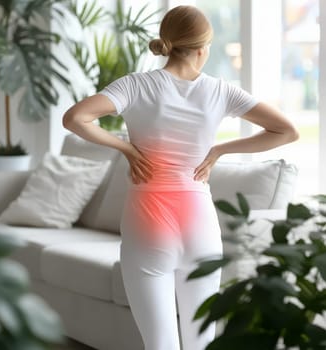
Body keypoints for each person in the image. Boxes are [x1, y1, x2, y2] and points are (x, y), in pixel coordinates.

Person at [62, 5, 299, 350]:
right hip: (200, 226)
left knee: (160, 345)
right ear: (203, 48)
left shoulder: (135, 86)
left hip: (148, 226)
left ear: (168, 42)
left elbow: (75, 118)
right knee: (200, 343)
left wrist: (126, 148)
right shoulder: (221, 90)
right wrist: (220, 150)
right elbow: (286, 131)